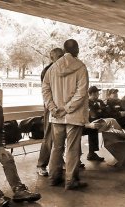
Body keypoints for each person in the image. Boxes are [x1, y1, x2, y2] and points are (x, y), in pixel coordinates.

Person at [42, 39, 89, 190]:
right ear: (75, 50)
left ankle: (53, 178)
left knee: (57, 147)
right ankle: (71, 181)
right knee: (72, 149)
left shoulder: (52, 68)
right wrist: (67, 108)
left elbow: (45, 89)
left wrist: (53, 107)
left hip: (56, 116)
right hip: (73, 116)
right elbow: (81, 93)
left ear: (64, 49)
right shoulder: (81, 67)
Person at [37, 48, 64, 177]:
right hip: (51, 107)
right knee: (49, 136)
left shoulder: (64, 69)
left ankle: (60, 160)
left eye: (62, 56)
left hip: (62, 108)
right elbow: (47, 91)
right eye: (58, 56)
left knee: (61, 135)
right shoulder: (48, 71)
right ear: (52, 57)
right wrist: (52, 107)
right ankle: (41, 165)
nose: (61, 58)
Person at [85, 86, 108, 161]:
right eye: (97, 93)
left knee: (109, 125)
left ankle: (92, 153)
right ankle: (91, 153)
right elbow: (92, 115)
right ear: (92, 94)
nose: (98, 94)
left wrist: (100, 110)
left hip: (98, 121)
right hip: (86, 124)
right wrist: (99, 110)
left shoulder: (100, 101)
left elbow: (105, 111)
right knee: (93, 129)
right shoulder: (87, 102)